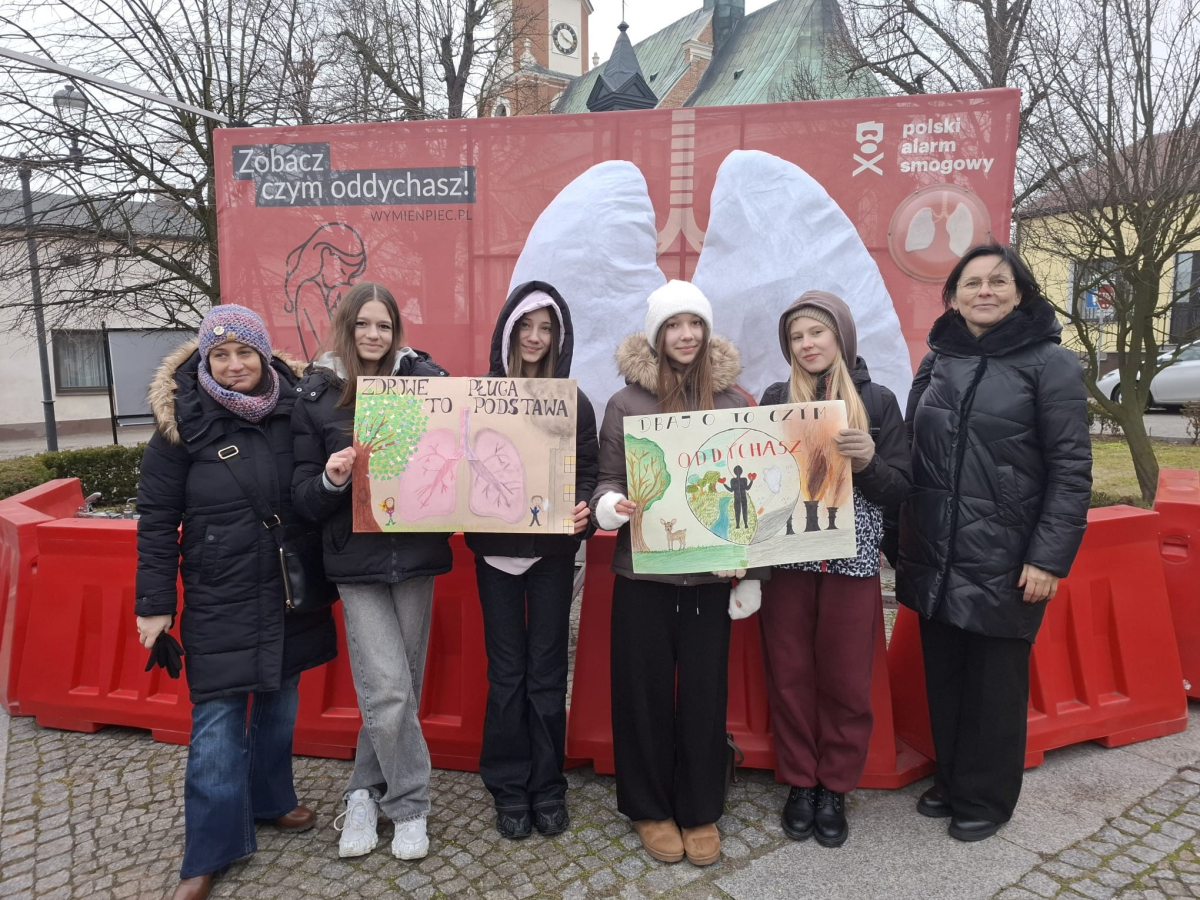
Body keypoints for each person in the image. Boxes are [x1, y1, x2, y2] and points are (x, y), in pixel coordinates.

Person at [134, 306, 337, 900]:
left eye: (244, 352)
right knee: (219, 717)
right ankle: (209, 850)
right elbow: (156, 519)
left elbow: (314, 489)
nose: (233, 365)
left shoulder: (297, 407)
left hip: (288, 582)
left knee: (280, 695)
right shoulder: (181, 422)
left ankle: (271, 799)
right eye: (219, 355)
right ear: (205, 359)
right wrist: (155, 603)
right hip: (219, 586)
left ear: (263, 353)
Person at [897, 243, 1092, 842]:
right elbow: (912, 450)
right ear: (953, 297)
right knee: (947, 676)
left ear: (1020, 292)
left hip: (1007, 553)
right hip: (937, 547)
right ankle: (953, 779)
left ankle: (987, 797)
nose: (985, 291)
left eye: (998, 281)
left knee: (994, 685)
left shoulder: (1051, 364)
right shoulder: (938, 359)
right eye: (972, 282)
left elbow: (1071, 470)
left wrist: (1047, 558)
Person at [591, 280, 763, 867]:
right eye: (674, 325)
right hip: (644, 575)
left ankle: (699, 807)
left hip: (711, 579)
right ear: (657, 335)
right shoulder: (626, 403)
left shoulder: (735, 402)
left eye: (695, 324)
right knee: (641, 692)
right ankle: (649, 807)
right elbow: (608, 479)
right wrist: (609, 507)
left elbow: (754, 496)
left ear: (706, 331)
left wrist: (753, 574)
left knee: (706, 692)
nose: (686, 335)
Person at [291, 281, 452, 861]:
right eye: (363, 324)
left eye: (384, 325)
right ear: (347, 327)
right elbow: (302, 496)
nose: (373, 335)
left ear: (396, 331)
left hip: (415, 556)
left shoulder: (429, 384)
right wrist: (332, 479)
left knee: (397, 691)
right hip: (354, 561)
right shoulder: (317, 396)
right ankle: (409, 805)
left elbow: (453, 461)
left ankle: (362, 790)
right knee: (386, 689)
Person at [757, 291, 911, 847]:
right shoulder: (776, 399)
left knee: (847, 677)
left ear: (840, 336)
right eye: (796, 336)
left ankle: (835, 785)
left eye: (816, 332)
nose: (807, 344)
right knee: (790, 672)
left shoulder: (878, 400)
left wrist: (868, 461)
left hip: (852, 556)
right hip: (789, 557)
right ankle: (801, 780)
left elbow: (901, 487)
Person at [464, 281, 600, 839]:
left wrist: (584, 509)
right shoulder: (481, 396)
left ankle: (547, 784)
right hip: (495, 555)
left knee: (546, 671)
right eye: (526, 326)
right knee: (506, 673)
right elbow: (461, 461)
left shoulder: (573, 401)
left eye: (546, 328)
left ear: (558, 338)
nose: (535, 337)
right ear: (508, 331)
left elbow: (588, 469)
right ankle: (507, 785)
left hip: (550, 556)